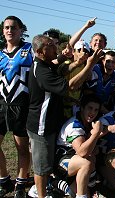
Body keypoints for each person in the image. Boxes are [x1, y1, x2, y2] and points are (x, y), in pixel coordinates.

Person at [26, 34, 102, 197]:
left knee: (48, 162)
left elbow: (59, 68)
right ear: (40, 51)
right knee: (42, 166)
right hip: (41, 126)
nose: (55, 47)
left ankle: (51, 186)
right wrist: (90, 64)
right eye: (50, 45)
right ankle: (40, 194)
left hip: (51, 123)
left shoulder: (46, 65)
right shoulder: (42, 71)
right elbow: (71, 86)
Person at [0, 16, 33, 198]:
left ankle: (21, 183)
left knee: (21, 147)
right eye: (6, 27)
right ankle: (4, 179)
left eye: (13, 27)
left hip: (22, 104)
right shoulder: (0, 54)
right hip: (2, 104)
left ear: (21, 30)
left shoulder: (30, 50)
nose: (9, 30)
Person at [55, 94, 106, 197]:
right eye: (90, 108)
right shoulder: (74, 125)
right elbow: (82, 152)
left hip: (74, 160)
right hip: (61, 162)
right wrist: (96, 134)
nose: (92, 113)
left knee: (91, 157)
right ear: (82, 108)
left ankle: (59, 183)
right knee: (86, 162)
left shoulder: (88, 122)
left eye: (96, 110)